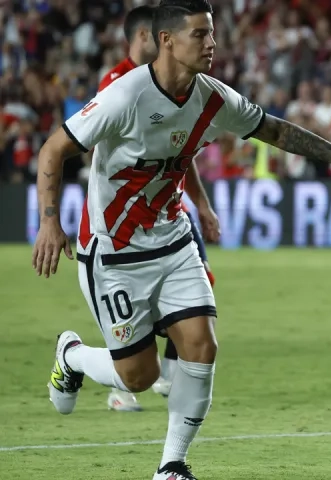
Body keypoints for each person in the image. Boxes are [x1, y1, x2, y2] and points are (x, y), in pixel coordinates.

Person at [34, 1, 331, 479]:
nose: (211, 44)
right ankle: (73, 355)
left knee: (202, 348)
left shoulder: (212, 97)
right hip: (115, 250)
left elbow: (273, 129)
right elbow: (54, 148)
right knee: (138, 377)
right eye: (199, 35)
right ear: (166, 40)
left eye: (212, 34)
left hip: (172, 239)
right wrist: (48, 222)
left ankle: (172, 465)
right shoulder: (125, 96)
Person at [96, 4, 191, 413]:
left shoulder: (174, 86)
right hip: (120, 218)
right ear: (145, 38)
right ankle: (122, 384)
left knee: (199, 286)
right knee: (136, 312)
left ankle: (167, 377)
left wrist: (200, 203)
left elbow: (183, 149)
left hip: (168, 213)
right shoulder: (119, 84)